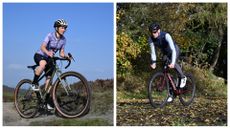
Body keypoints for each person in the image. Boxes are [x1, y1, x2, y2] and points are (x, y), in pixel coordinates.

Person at [31, 19, 70, 109]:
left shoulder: (64, 40)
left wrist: (66, 56)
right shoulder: (50, 35)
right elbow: (42, 47)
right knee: (43, 64)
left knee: (49, 82)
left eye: (65, 28)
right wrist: (48, 52)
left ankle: (46, 102)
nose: (64, 29)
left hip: (50, 59)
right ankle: (34, 83)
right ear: (57, 28)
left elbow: (61, 53)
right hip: (40, 55)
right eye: (62, 27)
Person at [148, 23, 187, 102]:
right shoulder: (151, 39)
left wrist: (172, 62)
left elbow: (173, 49)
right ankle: (172, 94)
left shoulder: (166, 35)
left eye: (155, 32)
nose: (153, 34)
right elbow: (153, 52)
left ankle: (183, 77)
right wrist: (154, 62)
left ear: (159, 31)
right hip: (165, 53)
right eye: (152, 32)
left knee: (173, 63)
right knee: (165, 71)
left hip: (174, 50)